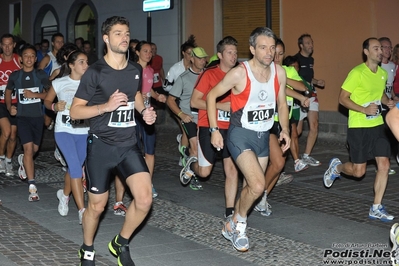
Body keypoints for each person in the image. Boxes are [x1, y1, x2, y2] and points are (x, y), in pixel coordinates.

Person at [70, 16, 156, 265]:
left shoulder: (134, 70)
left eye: (127, 33)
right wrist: (105, 107)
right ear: (106, 38)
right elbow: (75, 112)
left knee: (144, 199)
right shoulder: (95, 72)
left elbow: (136, 96)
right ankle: (87, 248)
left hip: (128, 145)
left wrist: (145, 112)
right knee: (96, 207)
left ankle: (121, 242)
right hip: (101, 146)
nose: (124, 37)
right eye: (118, 33)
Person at [207, 27, 290, 252]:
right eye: (263, 47)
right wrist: (214, 129)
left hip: (263, 135)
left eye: (272, 48)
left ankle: (231, 224)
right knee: (258, 184)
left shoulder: (279, 72)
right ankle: (240, 226)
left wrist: (285, 130)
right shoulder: (240, 73)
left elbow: (282, 104)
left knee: (251, 188)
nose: (268, 52)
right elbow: (211, 95)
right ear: (252, 49)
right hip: (240, 134)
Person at [323, 37, 395, 222]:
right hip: (359, 127)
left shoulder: (382, 74)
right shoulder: (356, 73)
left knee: (384, 165)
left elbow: (380, 95)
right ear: (366, 51)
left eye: (381, 48)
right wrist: (363, 109)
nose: (380, 51)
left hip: (378, 125)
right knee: (358, 171)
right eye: (376, 48)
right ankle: (337, 167)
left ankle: (376, 207)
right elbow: (342, 98)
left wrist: (389, 102)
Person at [255, 39, 310, 217]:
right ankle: (257, 193)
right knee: (276, 162)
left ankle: (262, 196)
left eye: (280, 54)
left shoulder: (287, 70)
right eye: (274, 53)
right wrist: (293, 91)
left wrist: (285, 80)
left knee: (278, 166)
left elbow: (303, 87)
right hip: (269, 122)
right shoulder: (265, 71)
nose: (276, 57)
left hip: (284, 123)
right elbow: (279, 90)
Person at [186, 36, 239, 217]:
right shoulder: (209, 74)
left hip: (231, 128)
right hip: (209, 125)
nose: (234, 56)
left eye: (235, 52)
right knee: (204, 173)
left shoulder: (239, 75)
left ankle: (230, 211)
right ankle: (192, 165)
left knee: (231, 169)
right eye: (229, 52)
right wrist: (220, 106)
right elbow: (194, 102)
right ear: (220, 55)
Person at [43, 44, 89, 224]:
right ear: (71, 65)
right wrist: (54, 106)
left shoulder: (90, 83)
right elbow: (47, 101)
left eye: (86, 62)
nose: (86, 65)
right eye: (82, 62)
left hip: (84, 131)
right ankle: (82, 210)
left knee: (74, 167)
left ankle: (64, 194)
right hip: (64, 130)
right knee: (76, 168)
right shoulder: (60, 82)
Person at [5, 44, 50, 201]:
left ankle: (24, 161)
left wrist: (35, 95)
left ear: (35, 59)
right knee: (29, 150)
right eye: (26, 56)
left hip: (37, 118)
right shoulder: (15, 76)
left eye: (32, 56)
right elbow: (8, 91)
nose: (29, 58)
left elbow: (50, 94)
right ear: (21, 59)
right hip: (22, 118)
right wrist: (10, 107)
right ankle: (32, 187)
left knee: (34, 150)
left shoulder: (41, 75)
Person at [167, 46, 209, 190]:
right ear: (191, 59)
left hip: (205, 117)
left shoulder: (208, 75)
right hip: (189, 117)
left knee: (203, 148)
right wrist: (181, 115)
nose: (203, 61)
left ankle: (186, 158)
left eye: (204, 58)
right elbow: (170, 100)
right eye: (199, 58)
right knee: (195, 147)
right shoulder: (183, 78)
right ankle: (192, 176)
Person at [164, 35, 197, 166]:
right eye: (189, 54)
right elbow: (166, 86)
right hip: (178, 103)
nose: (191, 56)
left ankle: (190, 149)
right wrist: (179, 90)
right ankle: (183, 157)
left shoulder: (196, 68)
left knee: (192, 130)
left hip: (192, 103)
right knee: (186, 130)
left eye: (193, 54)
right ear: (183, 53)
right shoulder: (175, 69)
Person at [295, 34, 325, 167]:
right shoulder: (296, 60)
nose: (310, 45)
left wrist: (316, 81)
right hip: (299, 96)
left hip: (312, 94)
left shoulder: (311, 60)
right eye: (307, 43)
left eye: (311, 43)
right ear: (301, 45)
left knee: (314, 125)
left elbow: (308, 77)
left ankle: (306, 156)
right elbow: (294, 77)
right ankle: (286, 149)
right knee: (297, 130)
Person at [0, 33, 21, 176]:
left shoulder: (19, 60)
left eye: (10, 44)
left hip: (17, 102)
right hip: (0, 102)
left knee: (13, 135)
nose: (7, 48)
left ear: (14, 45)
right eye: (4, 44)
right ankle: (1, 158)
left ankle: (8, 160)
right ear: (1, 46)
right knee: (6, 132)